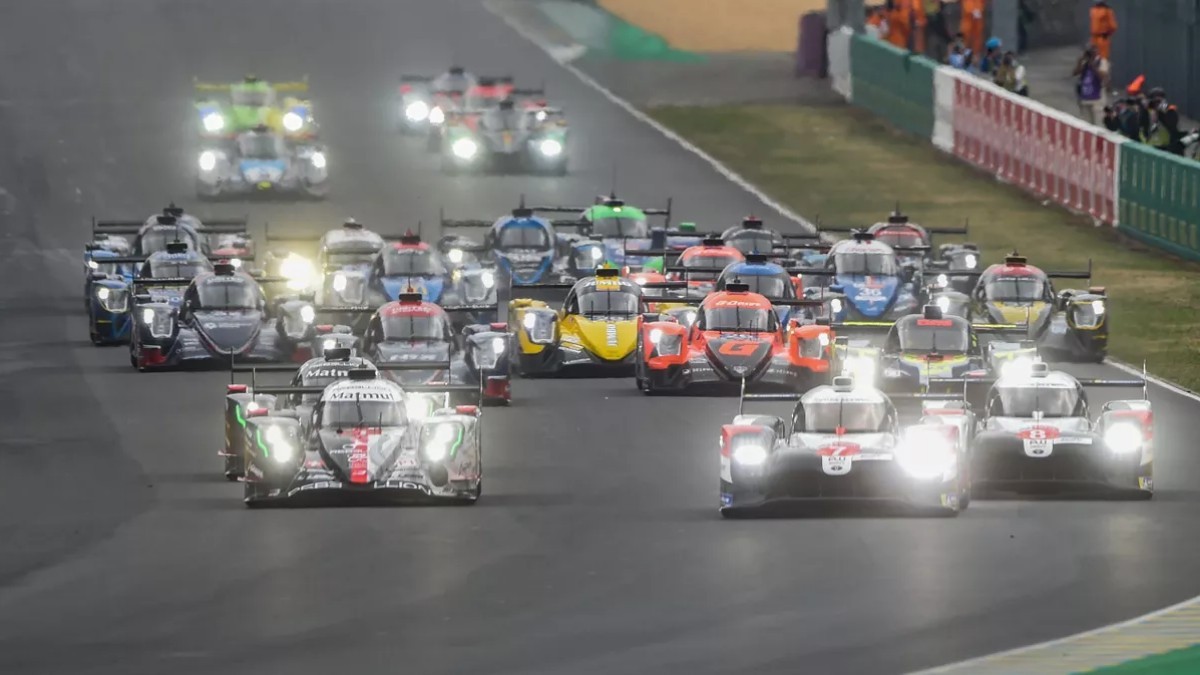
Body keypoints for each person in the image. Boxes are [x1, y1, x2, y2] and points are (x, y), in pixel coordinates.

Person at [1073, 45, 1109, 124]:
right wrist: (1080, 61)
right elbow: (1075, 73)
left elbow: (1103, 76)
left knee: (1099, 122)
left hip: (1097, 98)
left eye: (1093, 51)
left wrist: (1093, 65)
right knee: (1086, 124)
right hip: (1085, 97)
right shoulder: (1084, 62)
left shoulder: (1102, 61)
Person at [1144, 88, 1184, 155]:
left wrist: (1162, 111)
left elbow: (1172, 126)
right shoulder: (1148, 112)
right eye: (1154, 101)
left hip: (1167, 147)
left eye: (1158, 101)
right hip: (1152, 146)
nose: (1156, 104)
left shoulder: (1169, 111)